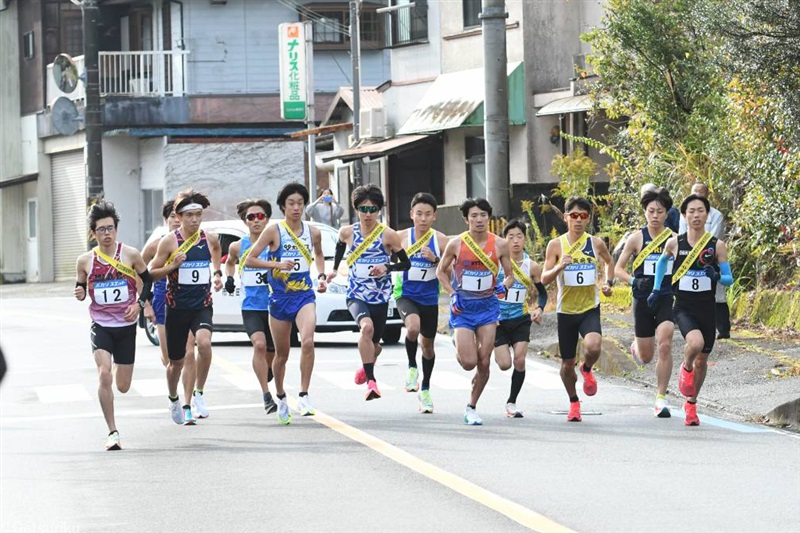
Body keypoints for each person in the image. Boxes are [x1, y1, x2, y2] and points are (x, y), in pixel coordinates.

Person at [245, 183, 329, 424]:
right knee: (281, 355)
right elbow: (250, 259)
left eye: (300, 203)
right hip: (280, 298)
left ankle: (303, 394)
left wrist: (322, 275)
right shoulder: (274, 231)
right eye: (291, 203)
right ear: (283, 206)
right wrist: (276, 265)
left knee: (308, 341)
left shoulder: (313, 232)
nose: (296, 208)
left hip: (304, 295)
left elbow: (320, 255)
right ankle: (281, 395)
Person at [647, 194, 734, 426]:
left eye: (701, 211)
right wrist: (656, 289)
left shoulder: (717, 245)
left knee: (703, 361)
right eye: (691, 211)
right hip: (683, 307)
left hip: (708, 308)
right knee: (694, 344)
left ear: (707, 215)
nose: (696, 215)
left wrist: (716, 275)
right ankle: (684, 369)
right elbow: (662, 263)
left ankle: (691, 404)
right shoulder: (675, 243)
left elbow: (729, 278)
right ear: (684, 216)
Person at [74, 200, 154, 450]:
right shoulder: (85, 260)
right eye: (101, 229)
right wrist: (79, 291)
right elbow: (80, 286)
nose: (106, 233)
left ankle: (114, 421)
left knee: (123, 385)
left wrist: (140, 305)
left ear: (116, 229)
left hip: (126, 325)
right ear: (93, 233)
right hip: (101, 324)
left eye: (110, 228)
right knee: (104, 374)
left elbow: (148, 281)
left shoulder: (130, 254)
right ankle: (113, 432)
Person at [436, 198, 514, 425]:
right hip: (463, 308)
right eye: (474, 216)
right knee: (469, 362)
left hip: (488, 308)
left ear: (489, 218)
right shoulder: (456, 244)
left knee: (484, 362)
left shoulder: (500, 244)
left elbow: (509, 275)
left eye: (483, 215)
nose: (479, 220)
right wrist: (452, 293)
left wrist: (503, 286)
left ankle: (471, 406)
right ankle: (457, 340)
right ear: (466, 219)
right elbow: (441, 272)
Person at [329, 184, 410, 401]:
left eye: (373, 209)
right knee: (366, 328)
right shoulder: (347, 233)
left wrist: (387, 267)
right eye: (363, 209)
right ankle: (372, 382)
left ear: (379, 210)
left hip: (380, 296)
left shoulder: (388, 235)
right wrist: (334, 270)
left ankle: (366, 366)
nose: (368, 214)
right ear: (356, 210)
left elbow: (406, 264)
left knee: (375, 345)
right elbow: (339, 249)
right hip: (356, 294)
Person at [149, 189, 223, 426]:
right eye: (189, 215)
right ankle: (173, 398)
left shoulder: (209, 238)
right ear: (178, 217)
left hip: (202, 304)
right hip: (177, 307)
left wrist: (219, 273)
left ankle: (197, 394)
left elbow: (217, 254)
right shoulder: (169, 241)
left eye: (198, 214)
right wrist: (172, 265)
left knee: (204, 343)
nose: (194, 219)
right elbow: (151, 273)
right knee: (176, 362)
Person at [541, 197, 615, 422]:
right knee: (566, 365)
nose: (578, 220)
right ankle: (574, 402)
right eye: (574, 215)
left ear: (588, 219)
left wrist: (608, 283)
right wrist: (559, 267)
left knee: (593, 346)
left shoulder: (595, 243)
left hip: (589, 308)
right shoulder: (556, 245)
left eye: (583, 216)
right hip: (566, 312)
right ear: (565, 218)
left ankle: (587, 368)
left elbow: (609, 262)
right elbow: (543, 279)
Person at [614, 187, 676, 417]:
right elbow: (618, 269)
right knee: (647, 357)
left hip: (665, 298)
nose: (655, 216)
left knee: (666, 342)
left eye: (660, 211)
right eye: (651, 211)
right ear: (645, 212)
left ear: (666, 213)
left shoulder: (673, 239)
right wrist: (633, 282)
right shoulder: (636, 238)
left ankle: (661, 398)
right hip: (642, 300)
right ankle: (636, 347)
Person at [393, 193, 449, 413]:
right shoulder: (400, 237)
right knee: (412, 327)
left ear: (434, 216)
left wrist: (435, 260)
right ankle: (411, 367)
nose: (423, 219)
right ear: (411, 215)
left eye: (427, 214)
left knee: (427, 347)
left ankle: (424, 389)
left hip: (429, 299)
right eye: (419, 214)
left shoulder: (441, 240)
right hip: (405, 294)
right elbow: (382, 256)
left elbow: (451, 271)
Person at [141, 200, 198, 414]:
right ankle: (174, 394)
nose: (176, 220)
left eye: (179, 215)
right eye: (172, 216)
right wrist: (145, 304)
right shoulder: (157, 244)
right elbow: (139, 274)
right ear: (166, 219)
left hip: (187, 301)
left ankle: (187, 403)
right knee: (170, 359)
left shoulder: (195, 240)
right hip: (163, 301)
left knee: (189, 353)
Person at [224, 199, 278, 416]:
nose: (256, 221)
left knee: (273, 353)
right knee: (259, 345)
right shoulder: (238, 246)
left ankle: (269, 372)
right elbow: (229, 262)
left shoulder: (275, 244)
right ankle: (266, 395)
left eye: (261, 216)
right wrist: (229, 278)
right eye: (251, 217)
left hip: (275, 305)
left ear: (267, 218)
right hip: (251, 306)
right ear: (244, 221)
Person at [493, 219, 547, 418]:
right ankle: (488, 343)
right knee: (504, 364)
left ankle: (511, 402)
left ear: (524, 239)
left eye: (519, 236)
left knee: (519, 360)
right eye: (510, 237)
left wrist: (539, 308)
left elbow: (542, 293)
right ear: (504, 240)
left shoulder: (532, 266)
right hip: (498, 320)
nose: (515, 241)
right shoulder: (496, 263)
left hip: (520, 318)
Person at [679, 182, 730, 339]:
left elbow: (715, 236)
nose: (698, 195)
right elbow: (681, 235)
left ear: (707, 194)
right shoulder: (684, 215)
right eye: (695, 192)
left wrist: (702, 252)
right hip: (688, 259)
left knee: (718, 295)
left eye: (701, 192)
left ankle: (723, 328)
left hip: (710, 257)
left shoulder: (716, 215)